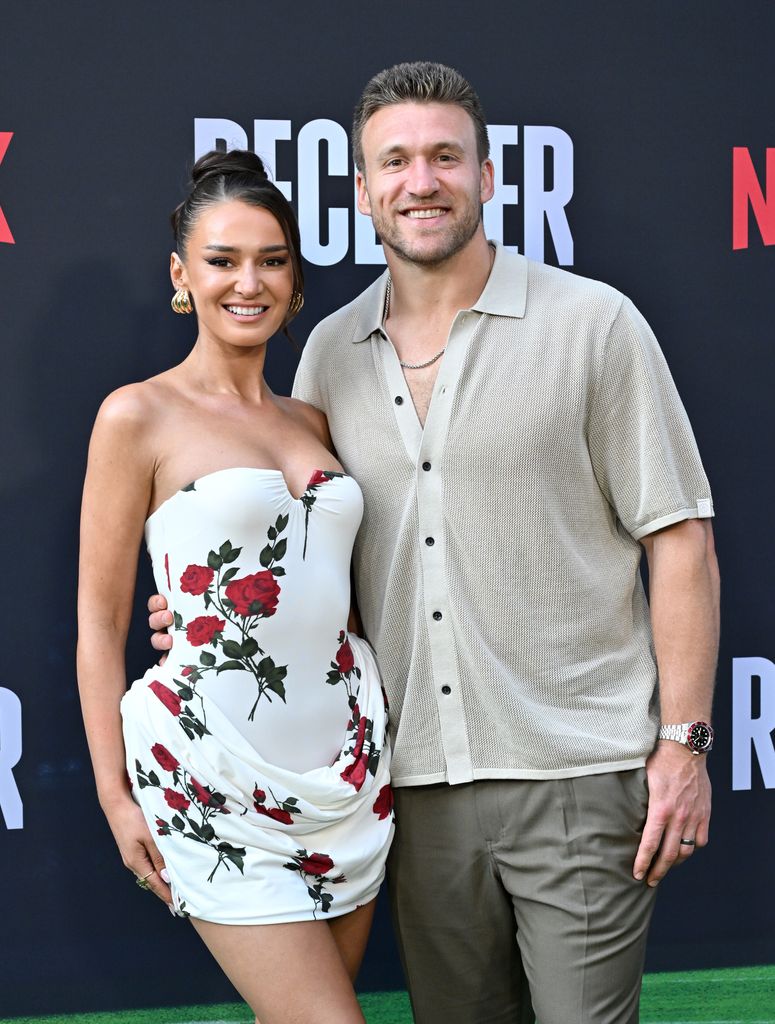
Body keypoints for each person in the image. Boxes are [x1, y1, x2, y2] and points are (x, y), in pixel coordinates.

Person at [148, 63, 720, 1023]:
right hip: (410, 784)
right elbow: (307, 551)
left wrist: (685, 745)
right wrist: (208, 615)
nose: (422, 181)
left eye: (445, 157)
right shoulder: (328, 350)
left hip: (574, 773)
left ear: (490, 177)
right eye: (396, 161)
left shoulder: (593, 325)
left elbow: (681, 541)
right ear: (363, 191)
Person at [77, 150, 394, 1024]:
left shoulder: (314, 418)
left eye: (271, 259)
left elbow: (335, 591)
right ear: (182, 276)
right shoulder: (136, 415)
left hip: (345, 773)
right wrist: (113, 796)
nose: (246, 282)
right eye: (221, 260)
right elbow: (100, 624)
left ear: (295, 277)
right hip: (211, 768)